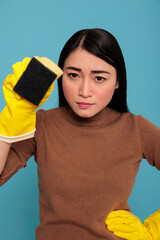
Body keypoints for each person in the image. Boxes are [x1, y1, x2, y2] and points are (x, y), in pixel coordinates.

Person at [0, 28, 160, 240]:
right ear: (61, 76)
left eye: (99, 78)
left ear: (117, 82)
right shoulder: (42, 125)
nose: (85, 90)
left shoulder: (137, 129)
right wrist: (7, 128)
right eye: (73, 75)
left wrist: (154, 231)